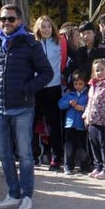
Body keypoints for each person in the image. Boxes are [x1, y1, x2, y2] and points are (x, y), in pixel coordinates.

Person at [0, 5, 53, 209]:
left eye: (11, 19)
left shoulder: (30, 43)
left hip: (22, 107)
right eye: (3, 19)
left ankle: (27, 195)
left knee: (25, 154)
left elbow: (46, 73)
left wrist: (26, 89)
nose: (6, 23)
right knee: (4, 154)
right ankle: (13, 193)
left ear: (19, 21)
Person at [32, 16, 66, 171]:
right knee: (32, 123)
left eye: (48, 26)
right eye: (43, 27)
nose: (46, 29)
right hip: (37, 87)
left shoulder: (59, 42)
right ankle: (33, 155)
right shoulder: (33, 44)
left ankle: (56, 157)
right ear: (38, 29)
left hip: (54, 86)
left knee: (54, 124)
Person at [82, 59, 105, 180]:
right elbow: (89, 101)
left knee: (104, 146)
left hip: (104, 122)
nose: (100, 72)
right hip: (92, 121)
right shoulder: (93, 85)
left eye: (102, 69)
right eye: (97, 70)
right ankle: (98, 166)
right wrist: (86, 115)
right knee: (94, 145)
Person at [58, 71, 89, 175]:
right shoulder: (70, 94)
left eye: (80, 84)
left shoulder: (88, 94)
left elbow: (90, 106)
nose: (78, 86)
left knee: (81, 146)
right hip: (70, 124)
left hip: (81, 124)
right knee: (69, 146)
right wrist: (69, 103)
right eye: (76, 84)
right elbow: (60, 104)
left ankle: (84, 166)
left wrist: (82, 108)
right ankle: (68, 166)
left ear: (85, 83)